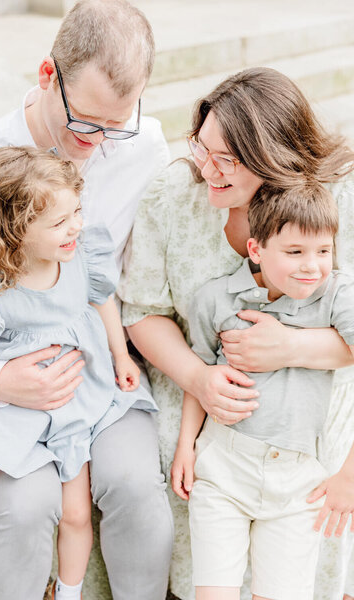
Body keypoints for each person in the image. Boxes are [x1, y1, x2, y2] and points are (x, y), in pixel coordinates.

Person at [0, 1, 173, 599]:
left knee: (134, 484)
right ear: (48, 75)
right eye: (85, 126)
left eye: (117, 125)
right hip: (9, 380)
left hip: (100, 370)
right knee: (26, 509)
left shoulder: (145, 144)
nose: (99, 144)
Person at [118, 66, 354, 600]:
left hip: (311, 417)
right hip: (202, 396)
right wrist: (199, 379)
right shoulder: (173, 195)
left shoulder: (337, 200)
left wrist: (293, 347)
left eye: (228, 159)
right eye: (202, 148)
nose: (208, 169)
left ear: (275, 159)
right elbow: (142, 309)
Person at [171, 182, 354, 600]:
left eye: (323, 251)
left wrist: (350, 473)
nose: (312, 266)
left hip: (298, 481)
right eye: (295, 252)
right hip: (223, 469)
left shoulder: (338, 295)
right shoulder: (216, 298)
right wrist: (186, 446)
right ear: (256, 250)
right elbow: (199, 375)